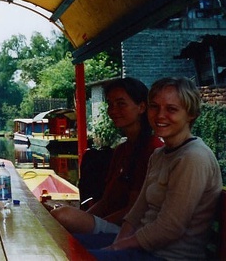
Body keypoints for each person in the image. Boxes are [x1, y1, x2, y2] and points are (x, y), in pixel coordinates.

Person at [83, 77, 223, 260]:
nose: (159, 115)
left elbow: (169, 228)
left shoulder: (193, 157)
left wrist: (116, 249)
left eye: (171, 109)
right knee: (65, 244)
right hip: (140, 249)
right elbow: (136, 212)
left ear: (191, 114)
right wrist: (117, 244)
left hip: (168, 256)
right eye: (154, 107)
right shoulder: (158, 155)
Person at [51, 77, 164, 234]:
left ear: (141, 107)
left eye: (121, 104)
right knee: (58, 215)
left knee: (62, 215)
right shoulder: (121, 150)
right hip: (111, 222)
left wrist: (95, 225)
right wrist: (84, 218)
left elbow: (134, 210)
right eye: (110, 104)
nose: (113, 110)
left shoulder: (152, 149)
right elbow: (106, 201)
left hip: (130, 230)